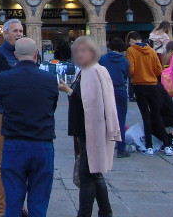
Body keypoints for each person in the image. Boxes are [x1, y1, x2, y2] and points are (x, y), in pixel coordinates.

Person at [59, 36, 120, 217]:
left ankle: (84, 214)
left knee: (87, 174)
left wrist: (67, 90)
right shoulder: (93, 69)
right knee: (94, 172)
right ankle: (106, 212)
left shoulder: (91, 71)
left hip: (90, 127)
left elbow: (89, 101)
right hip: (88, 127)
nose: (79, 54)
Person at [0, 38, 59, 217]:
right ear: (36, 54)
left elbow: (3, 103)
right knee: (39, 200)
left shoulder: (5, 77)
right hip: (42, 143)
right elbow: (52, 107)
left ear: (15, 55)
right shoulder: (50, 79)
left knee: (13, 202)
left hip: (14, 143)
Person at [0, 18, 24, 217]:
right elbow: (10, 83)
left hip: (21, 113)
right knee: (4, 162)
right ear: (5, 33)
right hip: (2, 112)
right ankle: (3, 210)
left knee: (20, 162)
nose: (19, 34)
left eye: (21, 31)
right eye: (15, 31)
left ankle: (18, 205)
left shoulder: (23, 54)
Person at [125, 31, 173, 156]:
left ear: (131, 40)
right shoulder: (152, 51)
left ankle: (149, 146)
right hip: (153, 85)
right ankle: (167, 145)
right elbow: (159, 70)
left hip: (139, 86)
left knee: (145, 116)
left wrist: (133, 74)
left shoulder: (131, 51)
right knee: (156, 115)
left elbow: (131, 70)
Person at [99, 37, 130, 158]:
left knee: (105, 119)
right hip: (120, 89)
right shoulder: (124, 60)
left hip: (106, 90)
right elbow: (128, 73)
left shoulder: (103, 59)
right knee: (120, 120)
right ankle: (121, 149)